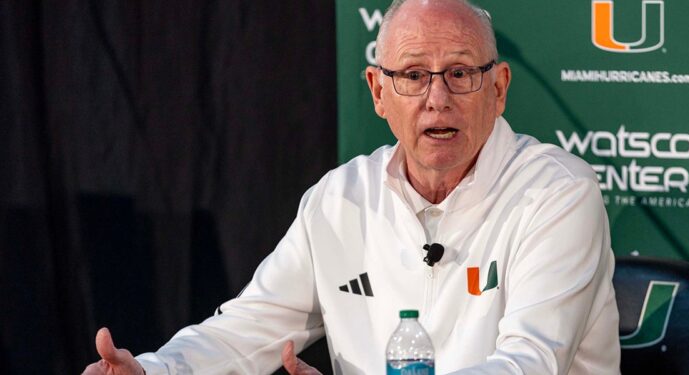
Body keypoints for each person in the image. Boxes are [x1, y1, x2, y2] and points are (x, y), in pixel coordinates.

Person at [83, 0, 620, 373]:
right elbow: (247, 330)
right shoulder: (339, 200)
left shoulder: (556, 193)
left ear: (498, 88)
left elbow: (532, 363)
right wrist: (155, 371)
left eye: (461, 73)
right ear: (378, 91)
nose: (437, 98)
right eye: (412, 75)